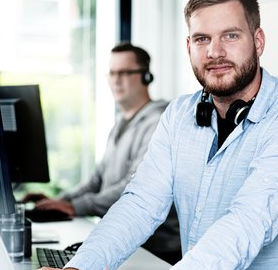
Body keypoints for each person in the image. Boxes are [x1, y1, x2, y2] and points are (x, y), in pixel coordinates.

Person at [40, 0, 278, 270]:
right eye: (203, 39)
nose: (215, 52)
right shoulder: (179, 114)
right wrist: (78, 268)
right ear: (189, 46)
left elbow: (250, 219)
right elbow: (140, 205)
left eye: (230, 35)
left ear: (258, 41)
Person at [24, 42, 181, 264]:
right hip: (126, 243)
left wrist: (75, 207)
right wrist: (59, 201)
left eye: (125, 72)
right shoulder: (120, 123)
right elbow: (96, 181)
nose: (116, 80)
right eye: (112, 73)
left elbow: (134, 186)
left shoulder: (157, 122)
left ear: (146, 77)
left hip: (155, 250)